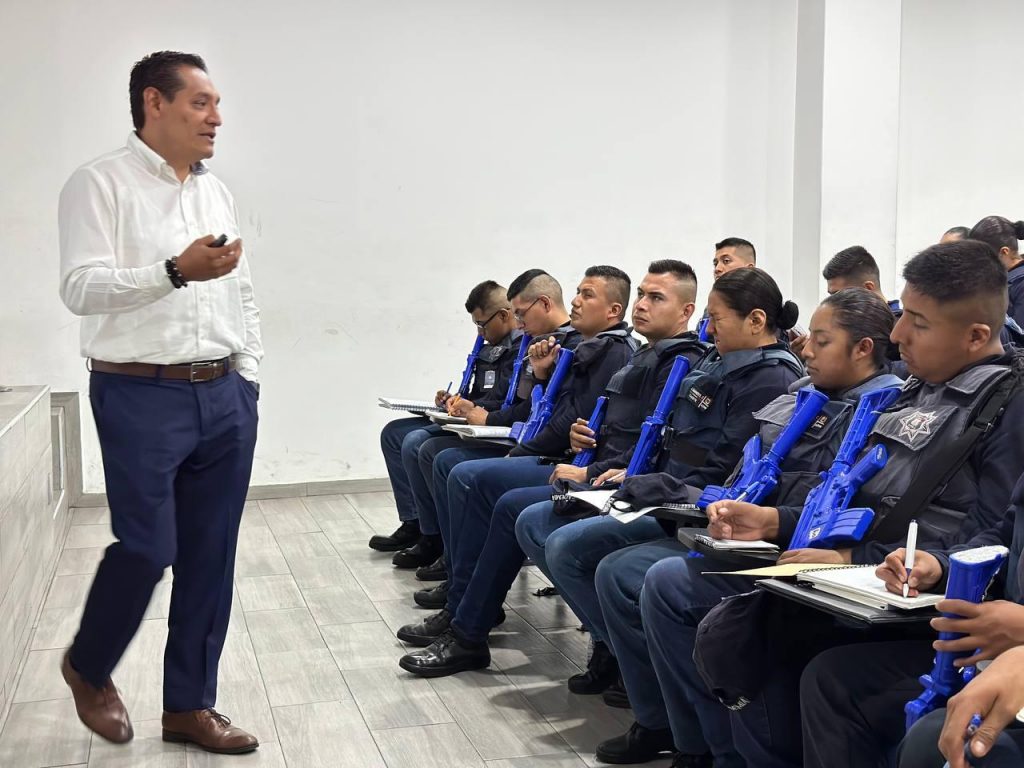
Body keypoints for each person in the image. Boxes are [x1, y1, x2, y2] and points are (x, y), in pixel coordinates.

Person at [703, 240, 1024, 768]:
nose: (896, 336)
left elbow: (991, 537)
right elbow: (847, 487)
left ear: (975, 336)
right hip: (854, 580)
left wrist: (908, 563)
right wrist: (776, 520)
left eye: (917, 322)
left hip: (912, 606)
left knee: (824, 675)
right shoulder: (908, 392)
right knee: (734, 632)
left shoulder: (1006, 407)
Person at [594, 288, 904, 767]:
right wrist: (727, 507)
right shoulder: (801, 395)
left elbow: (846, 507)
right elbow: (743, 473)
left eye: (821, 342)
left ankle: (720, 752)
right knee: (649, 580)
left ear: (863, 348)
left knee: (670, 587)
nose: (805, 350)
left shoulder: (885, 410)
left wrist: (769, 521)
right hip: (751, 540)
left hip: (812, 560)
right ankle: (695, 742)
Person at [58, 51, 261, 753]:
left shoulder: (216, 191)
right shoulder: (98, 184)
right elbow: (80, 288)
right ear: (155, 102)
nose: (217, 117)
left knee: (211, 554)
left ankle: (188, 707)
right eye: (201, 103)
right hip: (139, 390)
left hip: (224, 393)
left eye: (216, 104)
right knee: (147, 547)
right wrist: (174, 271)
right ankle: (88, 666)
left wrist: (249, 371)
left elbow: (241, 288)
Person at [395, 260, 710, 677]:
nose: (576, 302)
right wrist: (559, 404)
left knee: (483, 484)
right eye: (642, 295)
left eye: (656, 298)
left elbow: (660, 447)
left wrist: (578, 458)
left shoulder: (660, 360)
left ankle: (470, 618)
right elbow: (584, 419)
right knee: (452, 464)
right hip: (594, 468)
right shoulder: (638, 357)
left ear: (687, 311)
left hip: (622, 483)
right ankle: (466, 608)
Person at [514, 268, 804, 706]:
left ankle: (646, 685)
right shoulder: (714, 363)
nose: (709, 328)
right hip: (658, 492)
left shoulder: (770, 379)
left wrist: (639, 483)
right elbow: (661, 438)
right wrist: (615, 474)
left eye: (716, 318)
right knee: (541, 520)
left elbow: (721, 471)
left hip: (686, 507)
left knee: (573, 548)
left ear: (756, 321)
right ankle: (625, 657)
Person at [399, 266, 637, 616]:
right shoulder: (582, 346)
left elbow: (567, 421)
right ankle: (459, 587)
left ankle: (465, 600)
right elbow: (542, 407)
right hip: (561, 454)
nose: (575, 301)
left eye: (587, 295)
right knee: (422, 447)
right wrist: (531, 381)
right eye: (578, 292)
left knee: (461, 470)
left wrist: (517, 443)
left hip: (578, 464)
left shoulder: (611, 351)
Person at [405, 269, 576, 583]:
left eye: (521, 314)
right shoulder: (538, 344)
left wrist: (499, 426)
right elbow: (516, 401)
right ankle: (446, 554)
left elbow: (557, 417)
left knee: (446, 461)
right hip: (524, 439)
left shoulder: (585, 348)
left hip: (545, 451)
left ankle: (461, 572)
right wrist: (466, 405)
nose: (578, 303)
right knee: (409, 439)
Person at [368, 279, 521, 568]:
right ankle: (415, 522)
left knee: (417, 443)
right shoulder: (489, 348)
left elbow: (507, 404)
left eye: (482, 324)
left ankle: (434, 537)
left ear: (503, 315)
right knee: (394, 434)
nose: (480, 332)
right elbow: (482, 393)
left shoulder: (524, 349)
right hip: (467, 417)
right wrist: (453, 399)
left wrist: (472, 408)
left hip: (491, 428)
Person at [968, 216, 1024, 329]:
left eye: (983, 258)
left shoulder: (1020, 284)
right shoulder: (1001, 279)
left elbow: (1020, 338)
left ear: (1004, 252)